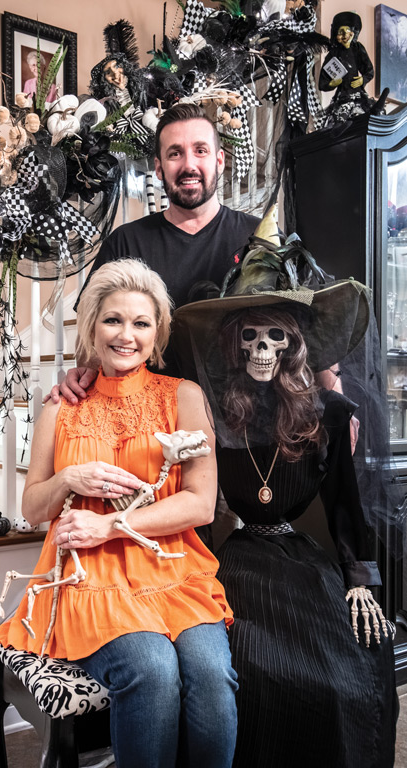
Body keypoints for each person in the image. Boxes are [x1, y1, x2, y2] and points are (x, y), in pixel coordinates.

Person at [0, 259, 238, 768]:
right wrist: (67, 480)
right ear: (91, 326)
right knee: (151, 669)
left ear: (157, 335)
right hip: (90, 576)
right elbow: (33, 508)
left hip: (173, 569)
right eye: (113, 320)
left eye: (141, 323)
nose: (126, 335)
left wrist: (109, 523)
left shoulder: (184, 397)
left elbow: (198, 502)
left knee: (212, 675)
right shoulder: (61, 407)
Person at [172, 260, 398, 767]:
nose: (262, 350)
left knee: (352, 666)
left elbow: (345, 502)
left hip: (301, 558)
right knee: (253, 666)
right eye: (250, 337)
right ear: (234, 345)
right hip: (238, 559)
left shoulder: (330, 415)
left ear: (294, 345)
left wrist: (358, 575)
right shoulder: (209, 411)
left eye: (276, 337)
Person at [51, 103, 261, 404]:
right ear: (159, 167)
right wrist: (83, 373)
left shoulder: (257, 238)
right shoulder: (126, 243)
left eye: (200, 150)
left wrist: (335, 394)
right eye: (175, 153)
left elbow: (299, 321)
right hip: (147, 423)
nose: (189, 165)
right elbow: (90, 334)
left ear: (219, 161)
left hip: (244, 417)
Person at [318, 12, 375, 125]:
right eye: (340, 32)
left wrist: (362, 80)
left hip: (358, 94)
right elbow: (322, 83)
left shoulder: (358, 48)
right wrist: (333, 83)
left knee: (362, 116)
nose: (344, 36)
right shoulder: (333, 54)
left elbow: (369, 70)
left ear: (353, 33)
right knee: (340, 117)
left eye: (347, 32)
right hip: (342, 95)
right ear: (336, 35)